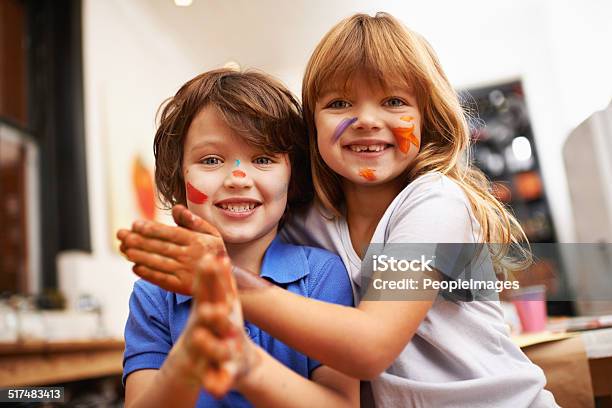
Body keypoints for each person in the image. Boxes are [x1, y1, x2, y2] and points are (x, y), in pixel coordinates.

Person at [120, 13, 558, 407]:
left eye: (393, 101)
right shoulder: (308, 222)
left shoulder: (436, 203)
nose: (366, 119)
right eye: (339, 103)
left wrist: (222, 284)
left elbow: (370, 346)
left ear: (429, 117)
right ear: (312, 127)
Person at [118, 68, 358, 408]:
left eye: (263, 159)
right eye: (211, 160)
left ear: (293, 177)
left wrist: (241, 359)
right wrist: (191, 354)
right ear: (178, 178)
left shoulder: (322, 274)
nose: (238, 178)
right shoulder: (155, 293)